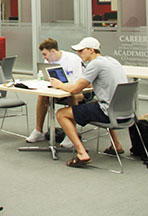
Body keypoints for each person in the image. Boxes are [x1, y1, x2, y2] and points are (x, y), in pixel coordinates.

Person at [51, 36, 128, 168]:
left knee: (61, 113)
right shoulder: (111, 61)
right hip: (125, 112)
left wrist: (59, 85)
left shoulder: (95, 64)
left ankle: (82, 154)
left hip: (107, 113)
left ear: (91, 50)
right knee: (98, 103)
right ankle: (116, 145)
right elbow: (98, 81)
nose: (78, 54)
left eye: (81, 50)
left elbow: (75, 89)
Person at [26, 38, 84, 148]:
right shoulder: (48, 61)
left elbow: (78, 83)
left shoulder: (73, 59)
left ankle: (71, 134)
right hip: (57, 91)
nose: (44, 57)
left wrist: (63, 86)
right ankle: (38, 131)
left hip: (77, 90)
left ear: (53, 51)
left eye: (45, 54)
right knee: (42, 96)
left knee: (73, 97)